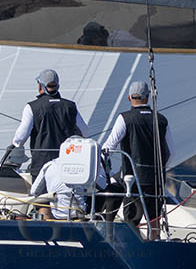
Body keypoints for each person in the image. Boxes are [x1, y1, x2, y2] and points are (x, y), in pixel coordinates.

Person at [100, 79, 174, 230]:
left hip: (132, 180)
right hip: (156, 179)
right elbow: (170, 153)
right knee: (154, 223)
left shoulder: (125, 118)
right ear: (148, 97)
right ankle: (155, 244)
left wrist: (108, 173)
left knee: (131, 222)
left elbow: (107, 147)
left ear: (129, 98)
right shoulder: (161, 120)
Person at [9, 68, 90, 178]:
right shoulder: (71, 106)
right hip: (66, 165)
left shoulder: (32, 107)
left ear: (40, 86)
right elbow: (84, 132)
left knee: (42, 195)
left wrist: (14, 143)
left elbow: (20, 139)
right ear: (58, 86)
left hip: (42, 166)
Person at [29, 136, 107, 220]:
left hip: (57, 215)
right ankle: (106, 226)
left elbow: (34, 191)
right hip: (80, 214)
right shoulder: (87, 166)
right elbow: (103, 186)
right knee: (116, 189)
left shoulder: (49, 166)